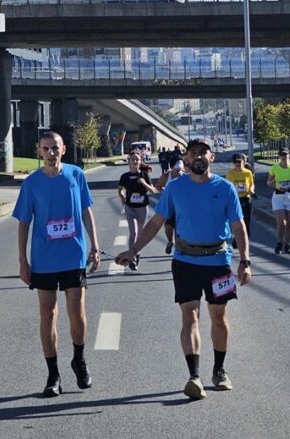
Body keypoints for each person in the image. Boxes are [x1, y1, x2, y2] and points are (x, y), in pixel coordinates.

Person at [115, 139, 251, 400]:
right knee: (190, 316)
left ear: (212, 157)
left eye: (203, 153)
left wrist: (245, 261)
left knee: (219, 317)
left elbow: (238, 226)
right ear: (186, 159)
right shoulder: (175, 188)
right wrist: (134, 250)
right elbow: (156, 222)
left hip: (219, 261)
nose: (198, 157)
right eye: (193, 153)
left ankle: (219, 370)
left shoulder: (225, 188)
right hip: (185, 261)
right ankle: (194, 376)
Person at [13, 131, 101, 397]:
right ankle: (53, 374)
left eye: (55, 148)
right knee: (48, 313)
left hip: (73, 255)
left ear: (63, 150)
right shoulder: (31, 184)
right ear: (39, 152)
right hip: (44, 259)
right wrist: (22, 261)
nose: (51, 153)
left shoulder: (76, 175)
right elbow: (24, 222)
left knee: (77, 311)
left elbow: (86, 210)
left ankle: (79, 359)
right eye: (46, 149)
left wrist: (95, 246)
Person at [118, 151, 158, 271]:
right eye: (133, 159)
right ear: (129, 162)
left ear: (140, 162)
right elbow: (120, 190)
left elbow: (153, 191)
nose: (135, 162)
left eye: (137, 160)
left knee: (140, 235)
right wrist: (123, 198)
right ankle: (132, 259)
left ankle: (137, 254)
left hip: (142, 208)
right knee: (133, 233)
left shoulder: (144, 175)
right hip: (130, 208)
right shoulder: (124, 176)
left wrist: (144, 183)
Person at [155, 153, 187, 254]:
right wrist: (165, 193)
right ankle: (170, 242)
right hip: (170, 206)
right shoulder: (166, 176)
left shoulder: (186, 177)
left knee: (179, 231)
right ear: (172, 167)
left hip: (181, 207)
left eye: (181, 170)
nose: (179, 172)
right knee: (168, 227)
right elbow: (158, 186)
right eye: (177, 170)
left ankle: (178, 251)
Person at [225, 153, 255, 249]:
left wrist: (251, 190)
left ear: (243, 161)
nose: (238, 163)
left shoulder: (248, 172)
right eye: (236, 162)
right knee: (237, 221)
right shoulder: (230, 173)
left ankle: (246, 242)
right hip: (235, 200)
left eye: (239, 161)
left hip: (246, 198)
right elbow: (228, 187)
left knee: (247, 221)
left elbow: (251, 184)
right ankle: (236, 239)